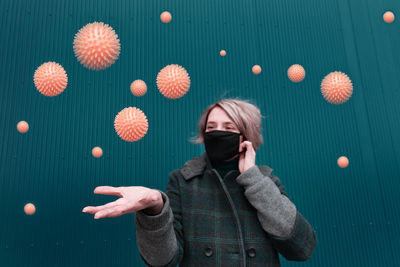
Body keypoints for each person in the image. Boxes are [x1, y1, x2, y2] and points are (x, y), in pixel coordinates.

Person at [82, 98, 317, 266]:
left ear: (245, 138)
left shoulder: (266, 180)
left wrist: (252, 178)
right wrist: (155, 208)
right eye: (211, 128)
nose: (218, 133)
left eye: (228, 128)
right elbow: (164, 260)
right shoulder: (182, 181)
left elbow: (301, 248)